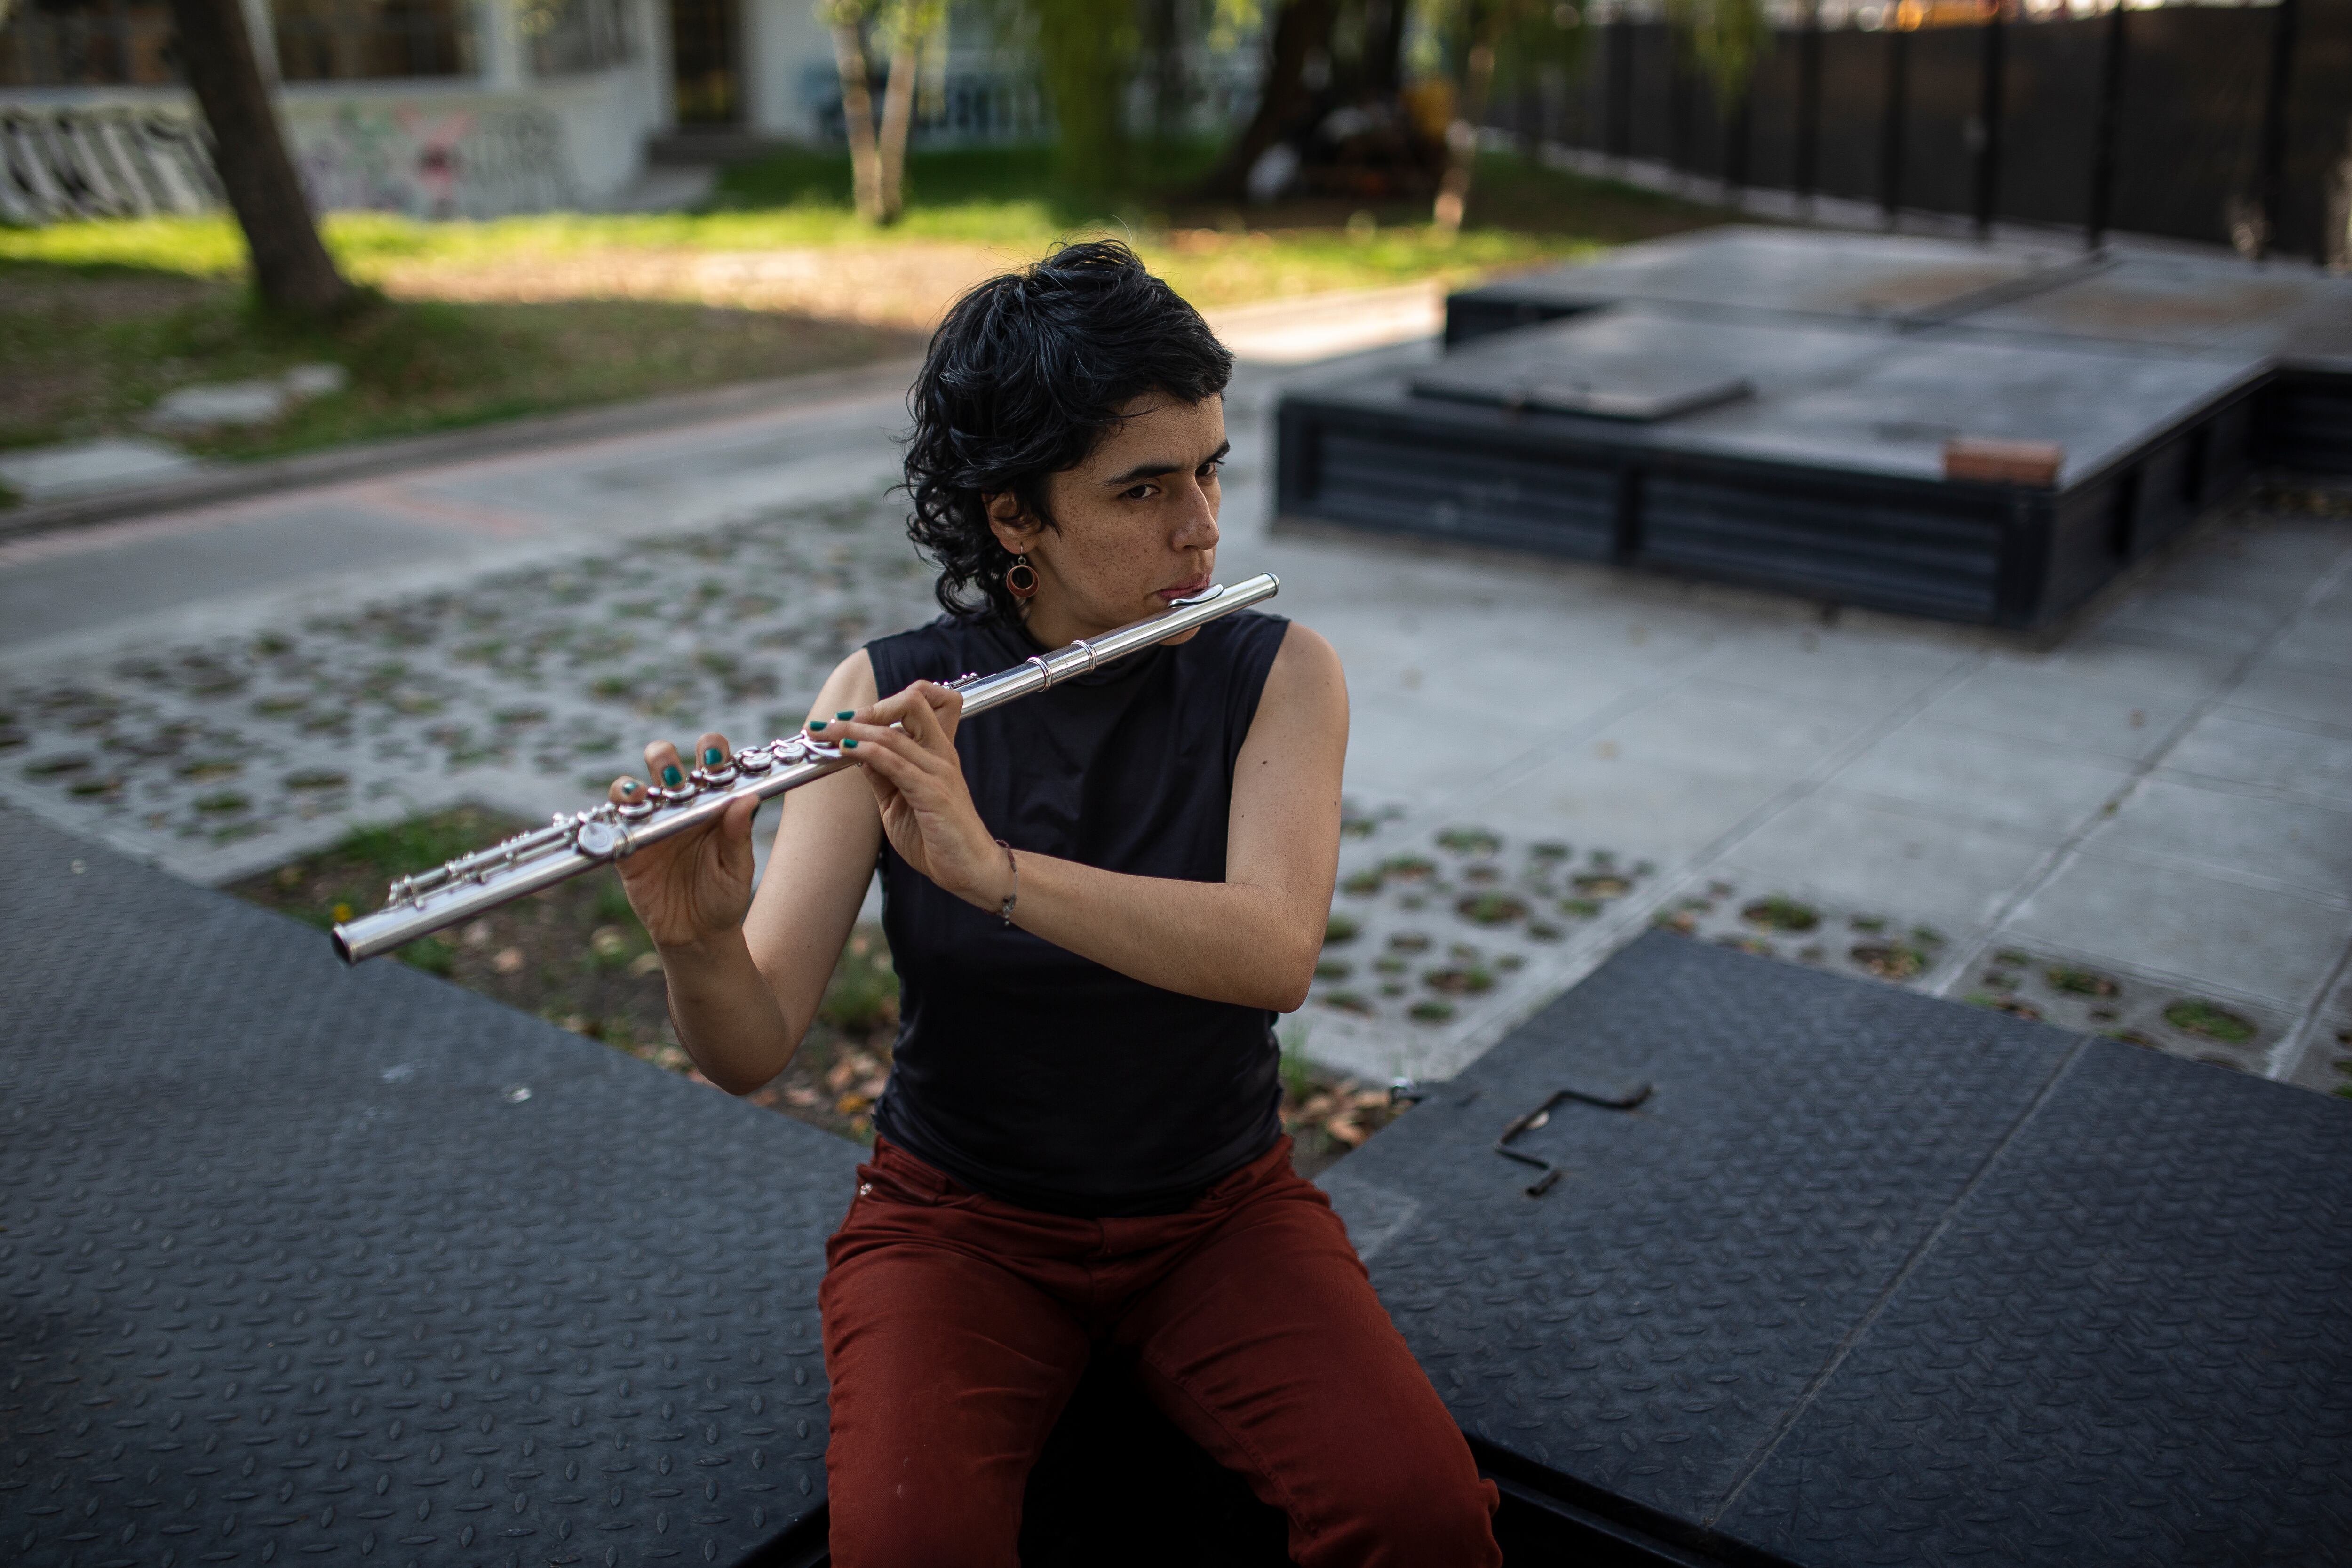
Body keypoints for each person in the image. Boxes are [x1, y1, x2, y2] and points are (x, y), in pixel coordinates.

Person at [606, 240, 1501, 1568]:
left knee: (1424, 1521)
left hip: (1219, 1213)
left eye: (1208, 470)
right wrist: (695, 942)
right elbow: (750, 1048)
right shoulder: (887, 701)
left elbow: (1273, 952)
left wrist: (997, 875)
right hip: (958, 1226)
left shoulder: (1280, 674)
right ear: (1015, 516)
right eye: (1143, 489)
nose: (1201, 527)